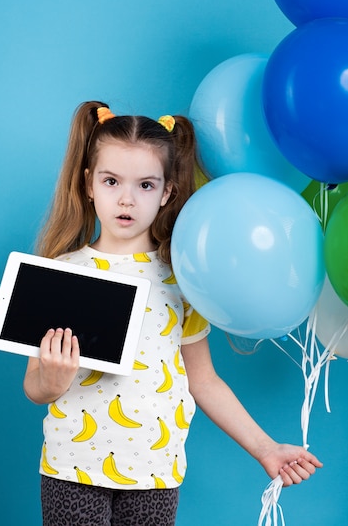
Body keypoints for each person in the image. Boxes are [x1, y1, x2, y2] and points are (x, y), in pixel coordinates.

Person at [23, 100, 323, 526]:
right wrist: (49, 383)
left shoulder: (184, 280)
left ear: (167, 192)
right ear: (89, 184)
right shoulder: (62, 274)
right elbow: (35, 386)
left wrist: (265, 447)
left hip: (155, 474)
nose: (126, 198)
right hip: (72, 468)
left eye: (145, 185)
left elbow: (203, 379)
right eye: (111, 181)